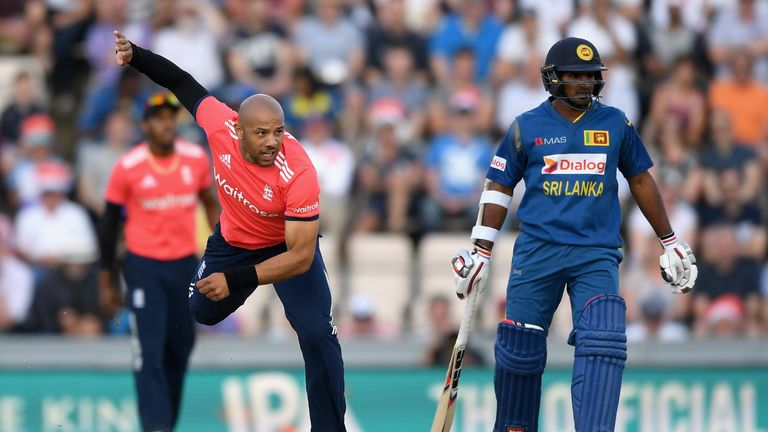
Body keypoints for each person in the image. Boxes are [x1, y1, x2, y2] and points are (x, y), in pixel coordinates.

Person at [449, 37, 698, 432]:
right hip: (537, 250)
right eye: (574, 75)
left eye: (590, 75)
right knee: (520, 349)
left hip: (595, 252)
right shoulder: (525, 126)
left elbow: (640, 178)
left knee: (602, 340)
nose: (584, 82)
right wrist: (481, 251)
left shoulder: (616, 122)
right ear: (553, 78)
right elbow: (498, 186)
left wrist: (669, 239)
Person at [113, 31, 347, 431]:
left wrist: (238, 279)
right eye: (261, 133)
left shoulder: (301, 173)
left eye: (278, 131)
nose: (273, 142)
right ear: (238, 130)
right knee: (202, 311)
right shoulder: (219, 124)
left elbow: (302, 255)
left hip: (285, 248)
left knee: (316, 332)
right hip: (233, 242)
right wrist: (136, 55)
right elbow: (181, 82)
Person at [99, 91, 218, 431]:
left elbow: (210, 202)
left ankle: (166, 424)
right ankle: (156, 427)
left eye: (171, 117)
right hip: (143, 267)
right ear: (145, 124)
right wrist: (106, 278)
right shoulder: (128, 167)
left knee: (180, 349)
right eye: (159, 118)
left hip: (184, 267)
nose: (167, 124)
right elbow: (109, 224)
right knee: (149, 352)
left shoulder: (194, 159)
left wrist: (223, 247)